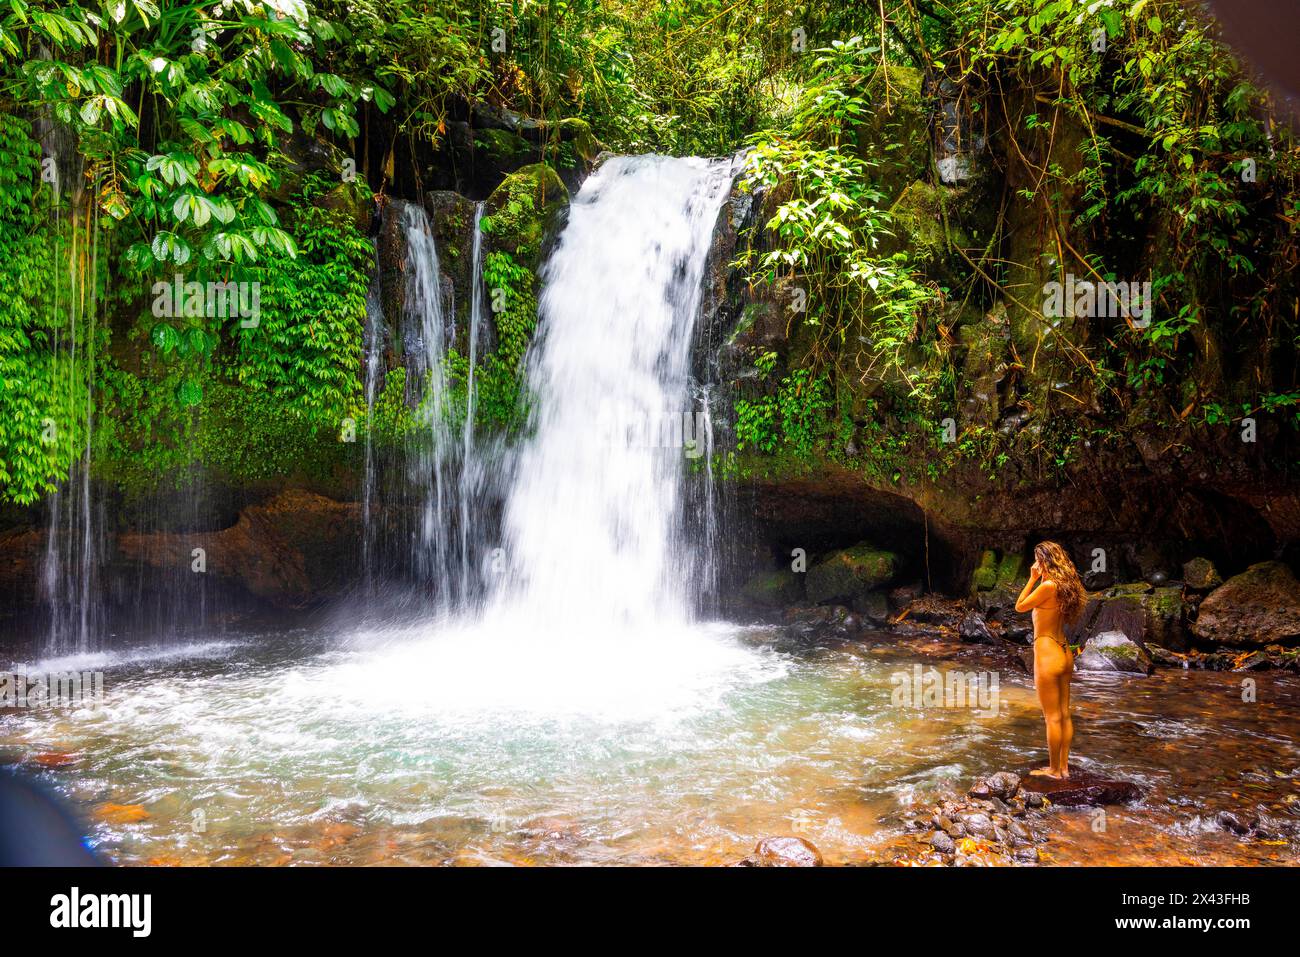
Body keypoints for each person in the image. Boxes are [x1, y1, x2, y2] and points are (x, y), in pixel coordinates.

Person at [1014, 541, 1087, 779]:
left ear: (1044, 561)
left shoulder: (1047, 586)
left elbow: (1020, 606)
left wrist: (1032, 578)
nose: (1034, 564)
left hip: (1047, 653)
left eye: (1037, 560)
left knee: (1052, 717)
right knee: (1064, 714)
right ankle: (1064, 767)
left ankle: (1055, 770)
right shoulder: (1066, 585)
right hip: (1064, 652)